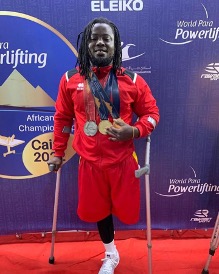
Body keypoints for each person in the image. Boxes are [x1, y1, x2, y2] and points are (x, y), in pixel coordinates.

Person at [48, 17, 160, 274]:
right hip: (89, 164)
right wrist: (57, 153)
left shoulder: (132, 81)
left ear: (115, 44)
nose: (100, 43)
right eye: (94, 38)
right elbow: (63, 119)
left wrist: (134, 130)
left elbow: (152, 114)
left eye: (106, 39)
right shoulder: (69, 79)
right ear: (86, 43)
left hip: (122, 163)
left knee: (126, 212)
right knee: (99, 211)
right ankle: (111, 254)